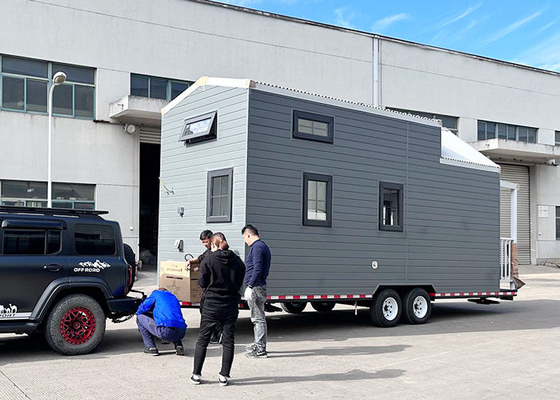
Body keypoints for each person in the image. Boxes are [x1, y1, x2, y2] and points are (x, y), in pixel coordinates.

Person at [190, 232, 245, 387]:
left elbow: (202, 283)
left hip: (211, 304)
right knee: (228, 340)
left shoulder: (209, 259)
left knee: (203, 339)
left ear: (213, 245)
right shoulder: (238, 262)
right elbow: (240, 281)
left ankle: (196, 375)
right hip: (231, 304)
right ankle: (224, 375)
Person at [186, 230, 222, 344]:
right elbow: (200, 258)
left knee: (213, 312)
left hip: (215, 288)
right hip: (207, 288)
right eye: (203, 243)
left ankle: (218, 334)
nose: (205, 244)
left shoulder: (218, 253)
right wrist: (190, 261)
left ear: (211, 240)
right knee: (203, 309)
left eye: (206, 242)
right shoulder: (207, 252)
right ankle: (214, 332)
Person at [241, 224, 271, 359]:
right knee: (258, 318)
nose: (245, 242)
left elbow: (257, 269)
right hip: (258, 286)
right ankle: (259, 344)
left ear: (248, 234)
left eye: (244, 238)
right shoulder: (262, 246)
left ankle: (260, 350)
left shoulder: (257, 247)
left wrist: (250, 286)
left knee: (258, 319)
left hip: (256, 288)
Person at [136, 288, 187, 356]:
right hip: (181, 332)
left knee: (139, 317)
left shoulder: (156, 293)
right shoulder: (173, 297)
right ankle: (179, 346)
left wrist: (137, 312)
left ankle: (151, 348)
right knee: (174, 322)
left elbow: (144, 306)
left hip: (165, 331)